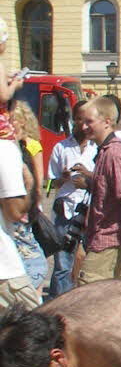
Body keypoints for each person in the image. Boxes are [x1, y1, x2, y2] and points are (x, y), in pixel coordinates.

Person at [78, 97, 121, 283]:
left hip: (110, 245)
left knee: (84, 303)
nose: (83, 126)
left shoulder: (116, 154)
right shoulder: (104, 151)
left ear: (107, 121)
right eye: (83, 121)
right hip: (108, 243)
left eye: (89, 121)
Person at [46, 101, 96, 297]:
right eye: (79, 120)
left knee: (89, 261)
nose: (83, 126)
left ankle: (82, 300)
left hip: (89, 209)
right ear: (73, 120)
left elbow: (104, 179)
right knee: (63, 262)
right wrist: (64, 178)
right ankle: (58, 302)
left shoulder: (97, 147)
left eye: (87, 121)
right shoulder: (62, 147)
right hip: (65, 208)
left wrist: (87, 177)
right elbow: (51, 182)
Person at [7, 100, 48, 292]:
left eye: (13, 119)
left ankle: (35, 289)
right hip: (10, 203)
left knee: (28, 250)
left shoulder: (31, 145)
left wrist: (33, 203)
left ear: (23, 121)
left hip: (25, 206)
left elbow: (38, 181)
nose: (10, 122)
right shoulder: (5, 144)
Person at [0, 130, 39, 309]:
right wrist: (30, 183)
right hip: (4, 273)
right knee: (41, 334)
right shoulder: (5, 149)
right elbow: (15, 211)